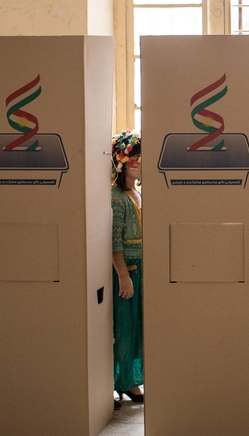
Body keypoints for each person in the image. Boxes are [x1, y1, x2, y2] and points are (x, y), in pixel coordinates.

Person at [110, 130, 144, 410]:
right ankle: (111, 382)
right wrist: (123, 274)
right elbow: (114, 239)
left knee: (135, 328)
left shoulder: (137, 193)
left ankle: (130, 381)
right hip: (127, 270)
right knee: (120, 328)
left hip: (141, 269)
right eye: (137, 159)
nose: (141, 164)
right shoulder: (116, 198)